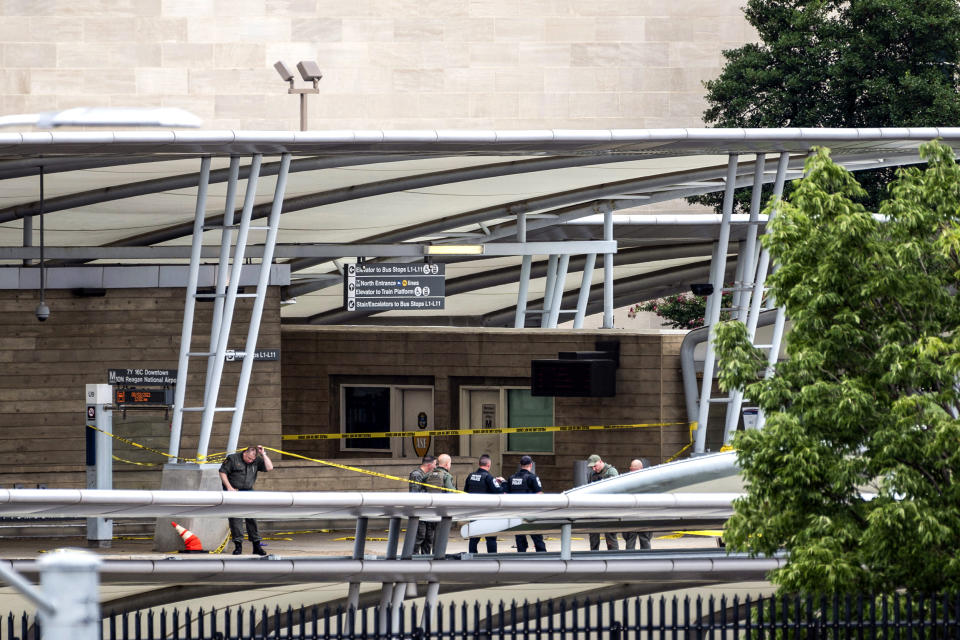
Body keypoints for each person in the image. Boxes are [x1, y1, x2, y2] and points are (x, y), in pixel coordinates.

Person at [219, 444, 273, 556]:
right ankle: (238, 546)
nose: (250, 461)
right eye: (249, 458)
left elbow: (269, 468)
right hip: (234, 491)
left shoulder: (256, 460)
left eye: (252, 459)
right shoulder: (232, 458)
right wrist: (229, 487)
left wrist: (263, 454)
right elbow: (222, 472)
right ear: (245, 453)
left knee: (252, 518)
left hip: (248, 491)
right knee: (236, 519)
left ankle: (256, 546)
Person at [463, 453, 504, 553]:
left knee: (474, 537)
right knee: (490, 537)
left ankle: (472, 557)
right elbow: (499, 492)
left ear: (479, 463)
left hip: (474, 511)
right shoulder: (488, 477)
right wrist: (501, 482)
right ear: (489, 465)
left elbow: (465, 491)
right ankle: (492, 558)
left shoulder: (471, 476)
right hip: (487, 512)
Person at [507, 455, 546, 552]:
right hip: (530, 512)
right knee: (537, 538)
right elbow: (539, 494)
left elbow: (506, 494)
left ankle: (521, 558)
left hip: (516, 513)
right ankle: (543, 558)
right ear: (531, 465)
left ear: (520, 465)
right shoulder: (532, 477)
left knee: (520, 538)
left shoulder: (511, 478)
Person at [586, 454, 619, 550]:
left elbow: (615, 490)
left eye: (595, 466)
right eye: (592, 467)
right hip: (595, 510)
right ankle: (593, 558)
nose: (594, 469)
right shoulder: (591, 474)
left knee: (610, 537)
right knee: (593, 537)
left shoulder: (611, 472)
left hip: (609, 510)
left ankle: (613, 559)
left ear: (601, 461)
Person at [408, 455, 437, 554]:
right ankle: (413, 558)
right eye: (434, 464)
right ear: (429, 464)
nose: (435, 467)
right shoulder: (416, 475)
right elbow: (415, 494)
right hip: (419, 511)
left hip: (427, 511)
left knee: (428, 537)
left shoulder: (427, 475)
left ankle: (426, 560)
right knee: (420, 536)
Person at [623, 458, 653, 550]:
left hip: (641, 515)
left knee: (643, 540)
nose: (633, 472)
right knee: (632, 541)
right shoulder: (649, 480)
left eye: (635, 470)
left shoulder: (648, 481)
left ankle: (645, 560)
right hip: (634, 515)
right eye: (632, 470)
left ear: (641, 468)